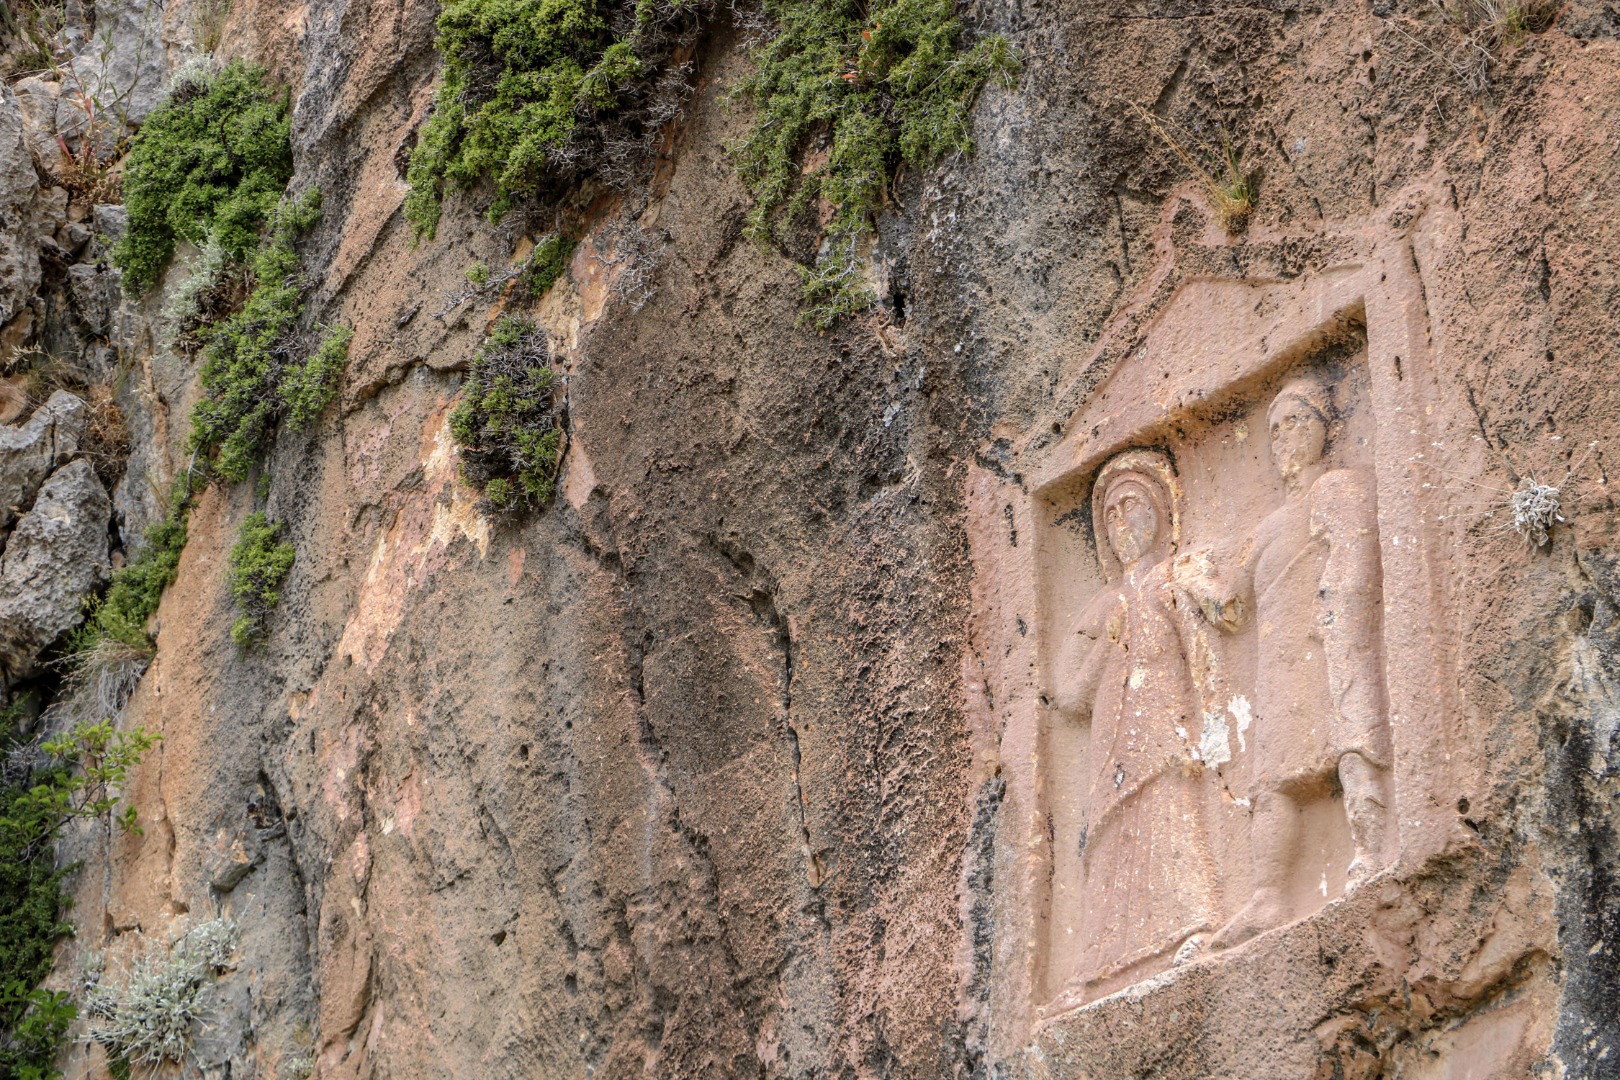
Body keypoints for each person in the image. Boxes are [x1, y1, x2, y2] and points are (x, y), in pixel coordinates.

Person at [1207, 376, 1391, 949]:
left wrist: (1339, 629)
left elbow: (1355, 567)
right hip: (1278, 663)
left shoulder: (1338, 488)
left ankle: (1371, 849)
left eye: (1299, 421)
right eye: (1276, 428)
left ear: (1324, 429)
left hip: (1327, 641)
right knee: (1272, 780)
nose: (1286, 436)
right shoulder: (1264, 528)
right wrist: (1188, 581)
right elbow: (1231, 604)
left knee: (1350, 739)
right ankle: (1268, 895)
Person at [1049, 449, 1218, 993]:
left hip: (1165, 725)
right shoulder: (1101, 607)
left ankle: (1193, 926)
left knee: (1169, 820)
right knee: (1111, 840)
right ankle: (1098, 967)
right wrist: (1108, 646)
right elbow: (1069, 695)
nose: (1123, 523)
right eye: (1112, 516)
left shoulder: (1173, 580)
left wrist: (1209, 725)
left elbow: (1205, 658)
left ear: (1161, 514)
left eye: (1134, 506)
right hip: (1110, 744)